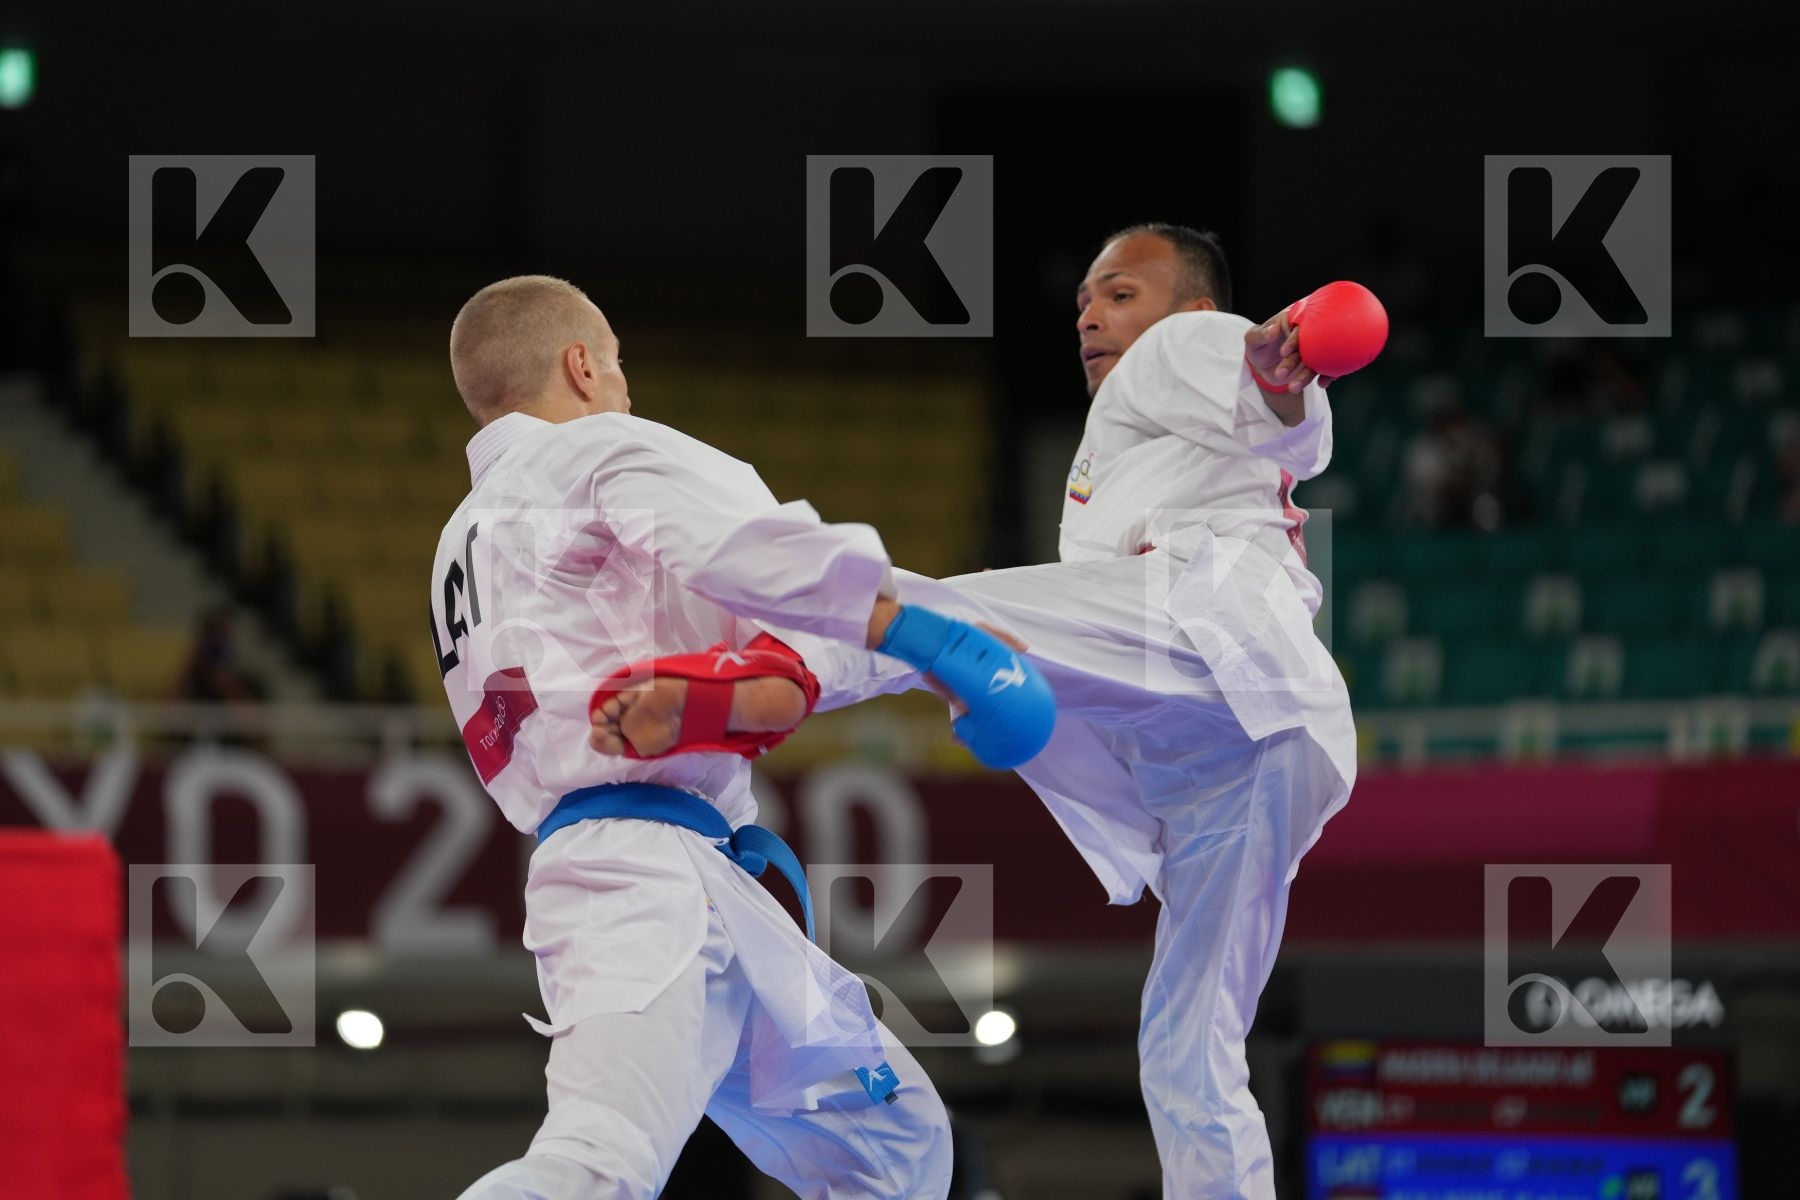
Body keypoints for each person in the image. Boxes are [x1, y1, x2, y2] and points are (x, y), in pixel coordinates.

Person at [431, 275, 1054, 1200]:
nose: (626, 388)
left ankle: (779, 681)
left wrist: (925, 644)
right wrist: (923, 635)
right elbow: (755, 557)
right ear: (583, 366)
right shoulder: (595, 448)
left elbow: (774, 638)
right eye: (620, 367)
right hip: (634, 879)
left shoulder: (459, 542)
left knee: (903, 1151)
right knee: (600, 1163)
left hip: (677, 871)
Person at [779, 223, 1364, 1199]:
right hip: (1249, 752)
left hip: (1208, 639)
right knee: (1187, 1047)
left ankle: (758, 671)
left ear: (1192, 309)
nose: (1091, 316)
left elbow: (1272, 395)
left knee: (937, 617)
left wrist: (1277, 372)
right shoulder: (1128, 442)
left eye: (1120, 294)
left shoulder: (1184, 348)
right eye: (1085, 301)